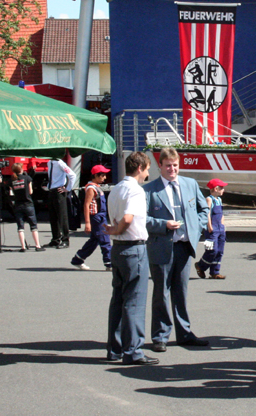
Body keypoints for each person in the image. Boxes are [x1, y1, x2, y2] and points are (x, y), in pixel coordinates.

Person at [144, 147, 210, 352]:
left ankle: (184, 333)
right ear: (160, 166)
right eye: (168, 166)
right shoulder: (149, 190)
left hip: (184, 247)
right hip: (161, 247)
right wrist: (163, 224)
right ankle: (160, 336)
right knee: (161, 293)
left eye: (175, 165)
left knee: (181, 292)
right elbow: (143, 219)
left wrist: (196, 226)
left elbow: (203, 209)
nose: (172, 169)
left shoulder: (190, 184)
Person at [104, 152, 158, 366]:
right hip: (133, 247)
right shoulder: (135, 190)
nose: (147, 174)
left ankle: (115, 348)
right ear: (140, 168)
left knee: (118, 300)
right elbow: (128, 218)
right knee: (134, 301)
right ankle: (133, 350)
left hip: (118, 248)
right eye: (147, 169)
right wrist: (118, 229)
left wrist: (114, 230)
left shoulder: (117, 188)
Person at [71, 165, 112, 271]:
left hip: (100, 217)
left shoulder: (97, 187)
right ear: (95, 175)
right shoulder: (91, 188)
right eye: (102, 175)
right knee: (105, 240)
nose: (105, 177)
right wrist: (87, 223)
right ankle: (109, 263)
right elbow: (86, 205)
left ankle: (78, 259)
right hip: (96, 218)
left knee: (93, 241)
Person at [195, 178, 228, 280]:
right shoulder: (209, 199)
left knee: (219, 251)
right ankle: (200, 265)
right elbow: (207, 214)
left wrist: (222, 225)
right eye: (221, 188)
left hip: (220, 228)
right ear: (216, 189)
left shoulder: (219, 200)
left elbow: (221, 214)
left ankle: (215, 272)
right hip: (213, 228)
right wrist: (209, 226)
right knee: (212, 250)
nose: (223, 190)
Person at [9, 163, 45, 252]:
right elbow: (30, 191)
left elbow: (11, 193)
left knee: (20, 227)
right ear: (21, 169)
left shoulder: (12, 180)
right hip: (28, 204)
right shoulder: (27, 178)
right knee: (33, 226)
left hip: (18, 204)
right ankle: (37, 245)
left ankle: (23, 247)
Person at [47, 158, 76, 249]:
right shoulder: (49, 162)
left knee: (62, 216)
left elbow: (72, 175)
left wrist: (67, 188)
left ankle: (65, 240)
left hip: (58, 191)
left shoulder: (60, 163)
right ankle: (55, 239)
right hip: (51, 190)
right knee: (53, 217)